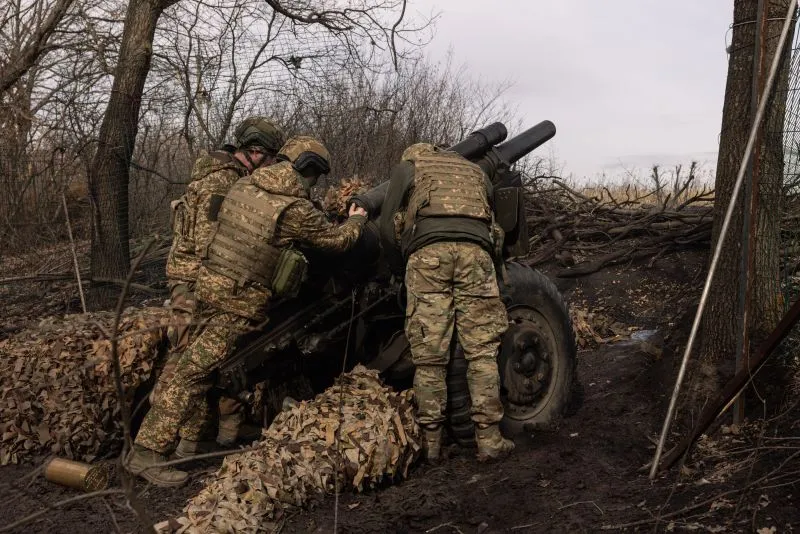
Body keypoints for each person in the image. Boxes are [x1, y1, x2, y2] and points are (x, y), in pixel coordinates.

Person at [128, 136, 368, 487]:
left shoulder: (242, 185)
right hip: (236, 302)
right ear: (306, 170)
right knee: (193, 374)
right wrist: (357, 220)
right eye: (315, 175)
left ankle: (188, 445)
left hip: (206, 289)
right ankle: (147, 453)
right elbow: (337, 242)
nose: (313, 183)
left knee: (197, 370)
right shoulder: (294, 211)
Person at [155, 117, 286, 451]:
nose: (270, 166)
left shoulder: (228, 176)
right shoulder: (222, 182)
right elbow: (208, 242)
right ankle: (158, 442)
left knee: (219, 356)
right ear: (255, 152)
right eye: (270, 158)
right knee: (186, 362)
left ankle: (213, 433)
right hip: (195, 280)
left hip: (202, 279)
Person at [379, 142, 514, 462]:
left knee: (430, 357)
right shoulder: (475, 171)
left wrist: (401, 268)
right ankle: (489, 439)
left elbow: (387, 227)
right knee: (482, 352)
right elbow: (494, 225)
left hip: (428, 258)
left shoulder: (409, 167)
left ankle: (431, 444)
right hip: (476, 255)